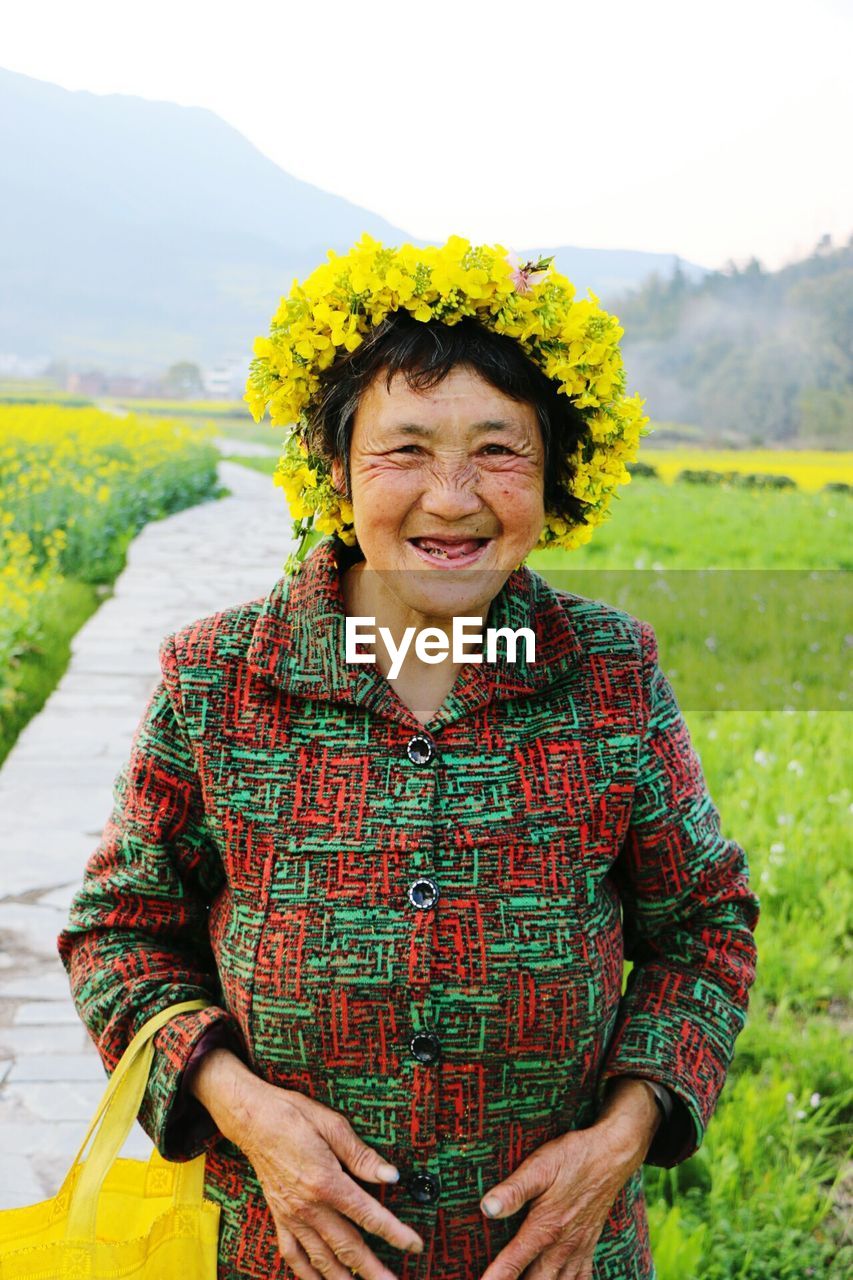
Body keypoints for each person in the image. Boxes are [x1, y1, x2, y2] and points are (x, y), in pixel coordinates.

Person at [58, 235, 760, 1280]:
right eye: (405, 450)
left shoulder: (611, 671)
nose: (450, 496)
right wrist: (242, 1112)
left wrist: (621, 1137)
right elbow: (119, 932)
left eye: (497, 449)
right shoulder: (217, 678)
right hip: (274, 1250)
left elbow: (703, 928)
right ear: (336, 470)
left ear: (554, 473)